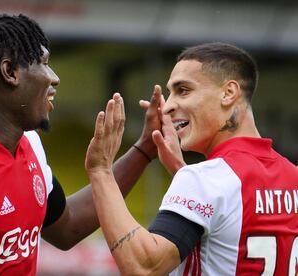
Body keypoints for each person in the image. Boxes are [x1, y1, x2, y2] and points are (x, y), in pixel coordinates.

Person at [0, 11, 184, 275]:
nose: (54, 79)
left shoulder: (30, 146)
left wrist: (145, 149)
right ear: (9, 72)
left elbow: (67, 227)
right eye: (43, 64)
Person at [85, 42, 298, 275]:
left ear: (228, 93)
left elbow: (144, 266)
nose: (168, 106)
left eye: (183, 90)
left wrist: (101, 171)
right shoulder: (293, 176)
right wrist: (181, 172)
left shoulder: (204, 179)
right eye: (170, 92)